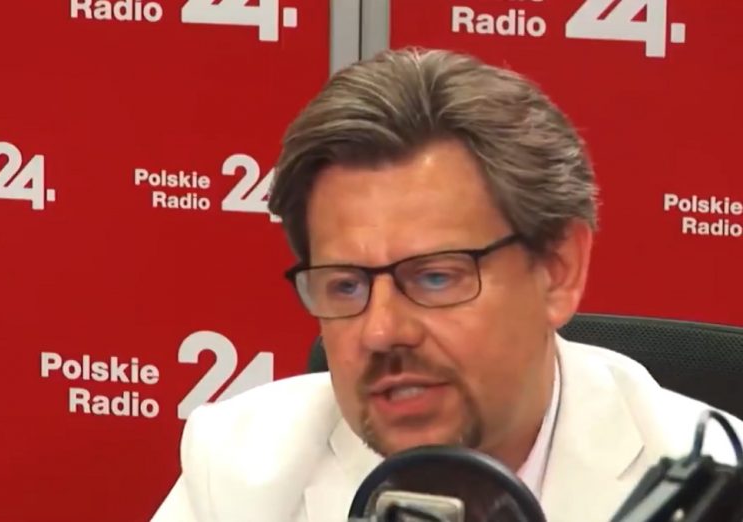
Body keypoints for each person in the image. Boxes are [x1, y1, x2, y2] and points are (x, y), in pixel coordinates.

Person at [151, 48, 742, 522]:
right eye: (346, 286)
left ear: (558, 270)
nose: (381, 331)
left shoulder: (716, 492)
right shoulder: (240, 466)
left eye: (435, 277)